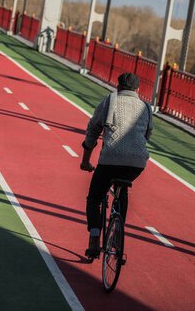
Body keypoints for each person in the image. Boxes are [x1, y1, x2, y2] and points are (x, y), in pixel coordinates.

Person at [80, 72, 153, 258]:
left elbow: (92, 132)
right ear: (138, 90)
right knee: (122, 191)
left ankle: (95, 239)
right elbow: (147, 135)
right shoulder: (146, 107)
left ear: (118, 87)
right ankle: (117, 234)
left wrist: (85, 160)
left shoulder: (109, 101)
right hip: (136, 163)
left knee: (94, 199)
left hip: (110, 159)